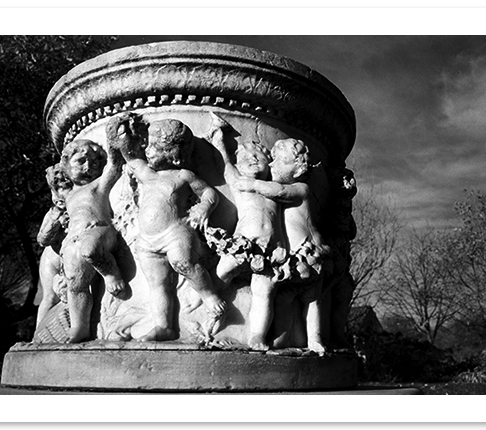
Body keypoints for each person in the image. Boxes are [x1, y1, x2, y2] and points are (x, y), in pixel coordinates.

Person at [108, 112, 225, 342]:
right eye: (147, 146)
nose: (147, 151)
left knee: (184, 262)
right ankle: (164, 327)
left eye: (153, 147)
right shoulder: (147, 175)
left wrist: (203, 209)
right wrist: (122, 133)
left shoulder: (183, 175)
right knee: (157, 284)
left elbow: (209, 193)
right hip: (147, 241)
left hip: (175, 233)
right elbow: (131, 157)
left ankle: (209, 295)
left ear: (173, 153)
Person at [233, 138, 331, 353]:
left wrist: (254, 184)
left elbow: (280, 192)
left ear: (297, 170)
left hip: (308, 254)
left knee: (312, 299)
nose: (271, 164)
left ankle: (315, 338)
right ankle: (272, 336)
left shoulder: (301, 189)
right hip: (290, 259)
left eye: (278, 161)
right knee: (283, 296)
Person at [206, 113, 288, 351]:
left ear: (269, 163)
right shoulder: (240, 184)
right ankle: (207, 310)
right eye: (246, 158)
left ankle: (257, 336)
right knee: (218, 278)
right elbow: (225, 163)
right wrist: (219, 137)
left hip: (271, 250)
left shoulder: (272, 188)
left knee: (264, 293)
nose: (252, 160)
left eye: (258, 157)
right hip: (243, 244)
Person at [59, 136, 135, 343]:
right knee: (75, 284)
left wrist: (112, 141)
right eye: (80, 161)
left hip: (99, 230)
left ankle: (112, 274)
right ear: (66, 166)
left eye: (93, 162)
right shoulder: (68, 196)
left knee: (90, 251)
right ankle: (80, 327)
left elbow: (113, 167)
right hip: (74, 238)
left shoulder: (98, 185)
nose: (88, 167)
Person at [35, 163, 72, 327]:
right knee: (49, 297)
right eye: (54, 190)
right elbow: (42, 239)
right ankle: (37, 334)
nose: (59, 196)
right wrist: (55, 221)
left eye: (63, 189)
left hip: (72, 258)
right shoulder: (54, 213)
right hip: (53, 260)